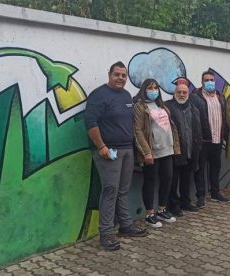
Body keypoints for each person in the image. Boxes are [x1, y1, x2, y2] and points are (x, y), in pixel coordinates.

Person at [84, 61, 147, 251]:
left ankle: (125, 226)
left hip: (127, 149)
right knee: (110, 190)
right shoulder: (99, 95)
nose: (120, 78)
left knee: (123, 190)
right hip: (108, 152)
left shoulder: (126, 95)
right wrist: (101, 146)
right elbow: (90, 122)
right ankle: (106, 233)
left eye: (123, 75)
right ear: (109, 75)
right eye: (117, 74)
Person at [134, 78, 181, 228]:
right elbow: (138, 130)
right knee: (150, 181)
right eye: (150, 87)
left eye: (155, 87)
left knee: (167, 179)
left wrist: (175, 147)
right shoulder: (140, 106)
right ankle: (149, 214)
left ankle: (162, 209)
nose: (153, 90)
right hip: (152, 152)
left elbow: (171, 126)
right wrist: (146, 152)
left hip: (167, 149)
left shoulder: (162, 105)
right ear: (144, 89)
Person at [191, 70, 228, 208]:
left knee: (215, 167)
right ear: (202, 82)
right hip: (203, 140)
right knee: (200, 169)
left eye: (212, 80)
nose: (210, 82)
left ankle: (215, 192)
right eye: (206, 80)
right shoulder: (196, 97)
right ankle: (200, 196)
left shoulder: (220, 97)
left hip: (217, 139)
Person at [165, 79, 202, 217]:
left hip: (190, 150)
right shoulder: (167, 107)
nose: (181, 94)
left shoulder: (193, 108)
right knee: (173, 181)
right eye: (179, 92)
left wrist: (198, 148)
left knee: (186, 178)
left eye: (184, 92)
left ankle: (185, 202)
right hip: (174, 151)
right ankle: (173, 205)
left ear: (188, 94)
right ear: (174, 93)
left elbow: (198, 130)